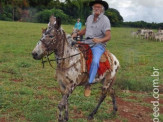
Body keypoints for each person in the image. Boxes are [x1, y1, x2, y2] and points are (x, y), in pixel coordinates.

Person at [72, 0, 111, 97]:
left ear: (102, 9)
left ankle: (89, 83)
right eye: (95, 7)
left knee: (95, 61)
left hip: (98, 45)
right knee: (72, 51)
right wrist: (77, 33)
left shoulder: (105, 20)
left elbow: (108, 36)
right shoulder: (89, 17)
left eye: (99, 7)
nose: (96, 8)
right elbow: (86, 29)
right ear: (92, 9)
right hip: (86, 42)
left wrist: (99, 40)